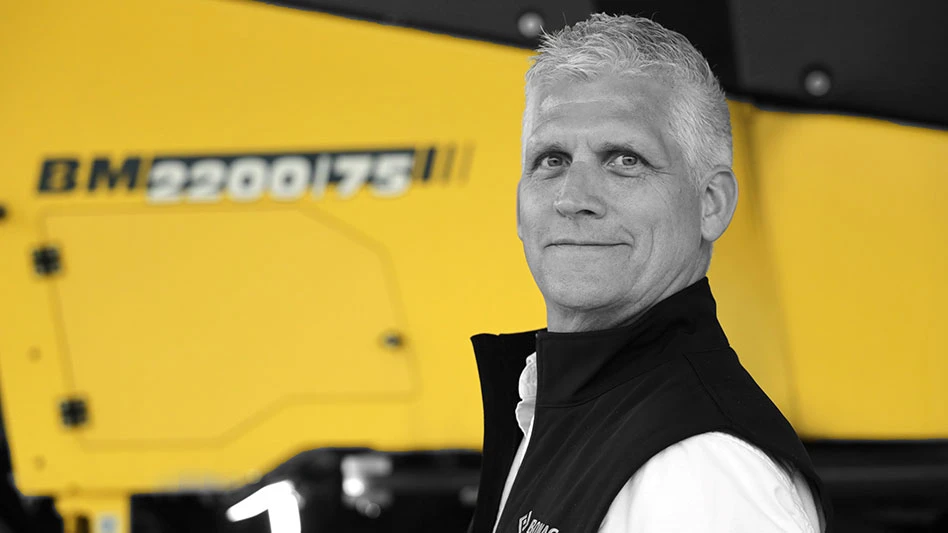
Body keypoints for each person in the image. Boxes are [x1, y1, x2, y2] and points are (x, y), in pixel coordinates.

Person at [468, 14, 831, 533]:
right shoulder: (553, 407)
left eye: (624, 160)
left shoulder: (699, 470)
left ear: (711, 204)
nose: (573, 198)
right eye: (552, 159)